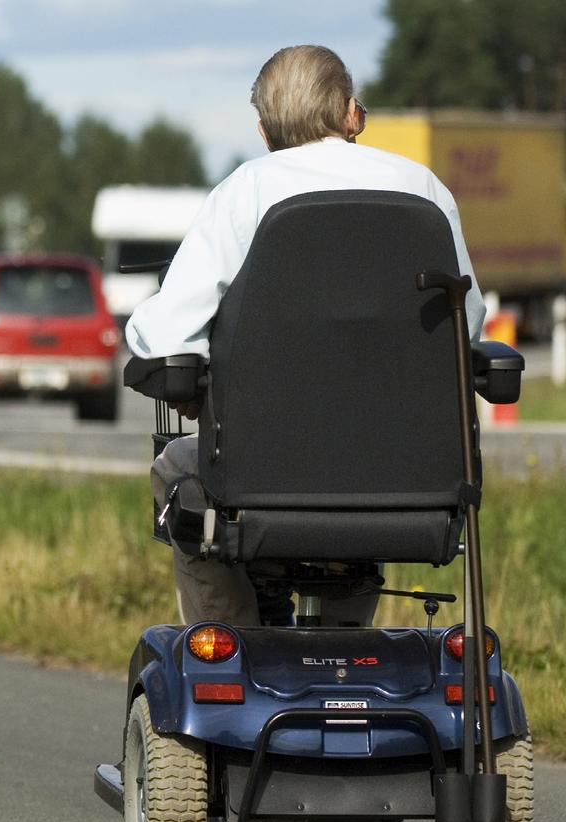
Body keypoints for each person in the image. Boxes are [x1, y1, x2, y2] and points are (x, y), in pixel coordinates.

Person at [125, 44, 486, 628]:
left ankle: (232, 642)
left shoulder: (245, 194)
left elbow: (167, 332)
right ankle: (346, 641)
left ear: (265, 132)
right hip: (404, 479)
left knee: (177, 467)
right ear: (351, 115)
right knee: (369, 479)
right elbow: (466, 326)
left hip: (262, 476)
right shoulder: (426, 193)